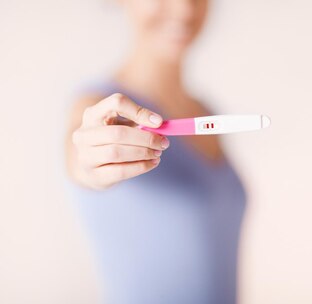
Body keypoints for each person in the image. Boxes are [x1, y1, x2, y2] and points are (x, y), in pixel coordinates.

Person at [64, 0, 246, 303]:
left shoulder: (206, 112)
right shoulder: (95, 107)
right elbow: (78, 153)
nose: (185, 9)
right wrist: (88, 163)